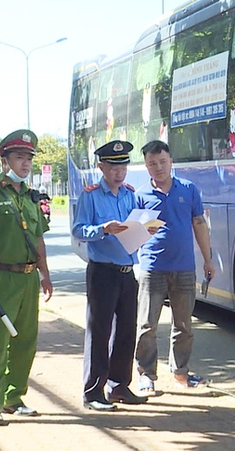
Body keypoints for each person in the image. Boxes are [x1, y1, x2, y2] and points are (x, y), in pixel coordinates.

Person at [0, 129, 53, 426]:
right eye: (19, 157)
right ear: (5, 161)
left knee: (26, 341)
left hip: (29, 278)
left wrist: (45, 274)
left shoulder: (32, 197)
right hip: (1, 277)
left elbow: (39, 239)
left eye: (29, 158)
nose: (25, 163)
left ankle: (13, 398)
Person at [134, 140, 216, 395]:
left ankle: (181, 372)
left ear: (171, 162)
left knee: (184, 325)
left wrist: (208, 259)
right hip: (152, 267)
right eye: (152, 164)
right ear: (146, 166)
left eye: (162, 162)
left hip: (184, 268)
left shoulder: (188, 189)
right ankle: (146, 375)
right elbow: (133, 232)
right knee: (147, 325)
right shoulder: (140, 195)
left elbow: (199, 223)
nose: (158, 168)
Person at [71, 140, 148, 410]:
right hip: (102, 271)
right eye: (114, 166)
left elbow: (137, 225)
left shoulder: (129, 194)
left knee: (127, 331)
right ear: (101, 167)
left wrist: (145, 229)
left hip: (128, 271)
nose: (120, 172)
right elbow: (78, 230)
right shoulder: (90, 196)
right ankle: (93, 392)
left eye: (123, 166)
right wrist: (103, 229)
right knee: (99, 331)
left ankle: (119, 385)